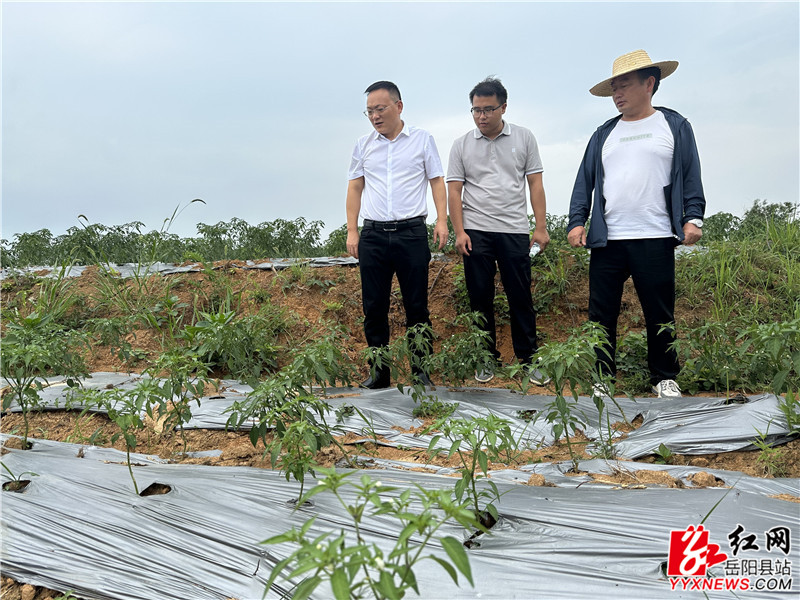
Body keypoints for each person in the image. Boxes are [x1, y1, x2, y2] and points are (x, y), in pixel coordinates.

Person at [567, 50, 706, 398]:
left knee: (659, 311)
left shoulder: (673, 126)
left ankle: (664, 377)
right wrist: (576, 221)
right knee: (601, 312)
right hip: (608, 238)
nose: (617, 94)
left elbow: (690, 174)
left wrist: (693, 217)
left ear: (649, 84)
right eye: (614, 88)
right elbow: (584, 181)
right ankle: (603, 377)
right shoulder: (604, 134)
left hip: (655, 234)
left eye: (624, 85)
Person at [447, 77, 550, 384]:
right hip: (476, 230)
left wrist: (540, 228)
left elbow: (535, 184)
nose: (482, 116)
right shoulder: (461, 144)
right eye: (476, 110)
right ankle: (485, 358)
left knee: (520, 295)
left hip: (514, 229)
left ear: (503, 107)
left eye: (489, 109)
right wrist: (459, 231)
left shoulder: (524, 138)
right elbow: (454, 191)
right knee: (479, 296)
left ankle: (529, 359)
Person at [346, 81, 448, 389]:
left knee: (416, 305)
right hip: (374, 235)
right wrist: (353, 230)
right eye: (369, 112)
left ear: (398, 106)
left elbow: (437, 181)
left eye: (380, 109)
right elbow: (354, 187)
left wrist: (441, 220)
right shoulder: (363, 145)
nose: (375, 117)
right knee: (373, 306)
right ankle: (379, 373)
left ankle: (421, 371)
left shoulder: (421, 140)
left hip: (411, 233)